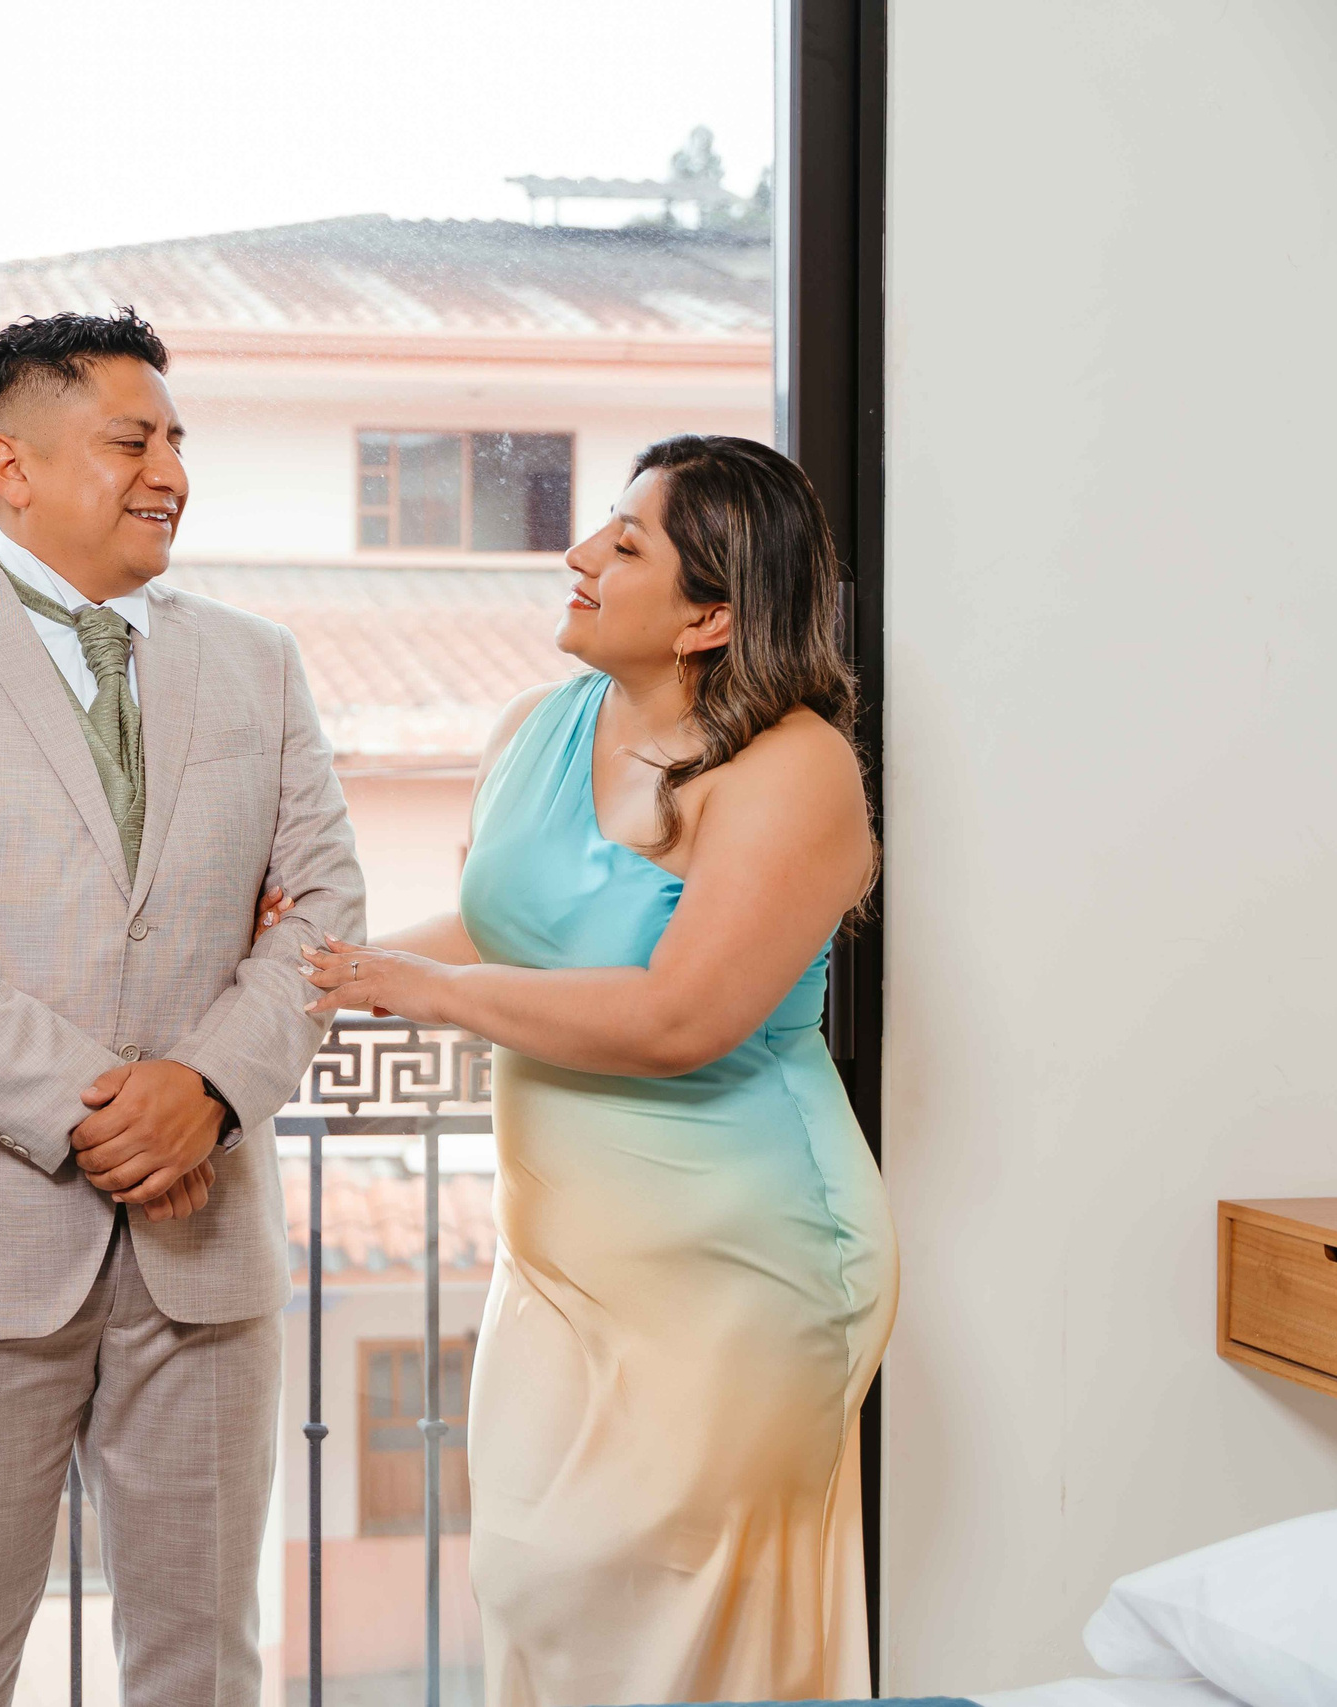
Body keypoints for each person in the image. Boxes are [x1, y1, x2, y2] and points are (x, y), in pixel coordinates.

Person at [0, 310, 365, 1707]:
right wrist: (102, 1112)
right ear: (14, 465)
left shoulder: (259, 659)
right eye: (130, 440)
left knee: (205, 1662)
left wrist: (204, 1092)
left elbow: (327, 912)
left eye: (175, 441)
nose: (169, 471)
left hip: (204, 1234)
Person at [296, 435, 896, 1705]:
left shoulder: (792, 768)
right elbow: (503, 936)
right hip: (560, 1268)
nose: (576, 555)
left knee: (688, 1637)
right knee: (539, 1586)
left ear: (710, 616)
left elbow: (680, 1016)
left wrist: (412, 989)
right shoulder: (534, 728)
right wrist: (321, 972)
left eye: (625, 545)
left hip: (742, 1264)